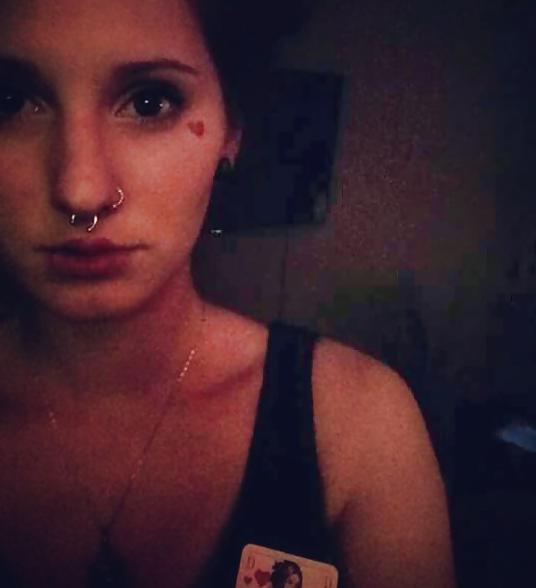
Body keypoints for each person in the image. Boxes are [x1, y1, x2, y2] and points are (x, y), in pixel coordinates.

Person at [0, 1, 456, 587]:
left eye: (150, 102)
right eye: (10, 101)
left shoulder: (358, 425)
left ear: (231, 128)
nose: (81, 191)